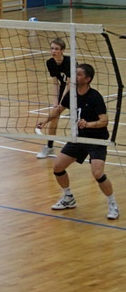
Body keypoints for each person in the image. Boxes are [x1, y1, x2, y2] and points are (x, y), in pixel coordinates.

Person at [37, 63, 119, 220]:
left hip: (96, 139)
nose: (75, 77)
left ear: (87, 79)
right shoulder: (71, 94)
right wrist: (45, 120)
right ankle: (68, 197)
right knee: (58, 167)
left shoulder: (95, 97)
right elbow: (59, 109)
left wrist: (88, 124)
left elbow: (104, 121)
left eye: (79, 74)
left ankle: (112, 203)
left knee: (97, 173)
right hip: (78, 138)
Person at [38, 38, 71, 159]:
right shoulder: (50, 63)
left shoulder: (70, 62)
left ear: (62, 50)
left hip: (76, 90)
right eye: (52, 48)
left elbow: (69, 84)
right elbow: (55, 83)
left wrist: (61, 102)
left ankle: (43, 123)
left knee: (57, 113)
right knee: (54, 116)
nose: (53, 51)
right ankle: (50, 147)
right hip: (63, 88)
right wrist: (55, 101)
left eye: (56, 49)